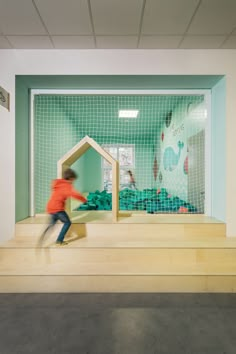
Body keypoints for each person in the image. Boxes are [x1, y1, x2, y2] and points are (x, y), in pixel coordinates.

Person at [38, 168, 87, 246]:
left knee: (52, 224)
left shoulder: (58, 183)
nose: (73, 182)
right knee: (67, 222)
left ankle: (43, 237)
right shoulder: (67, 186)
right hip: (58, 209)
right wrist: (84, 200)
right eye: (73, 180)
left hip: (50, 208)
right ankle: (59, 241)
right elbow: (75, 194)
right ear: (71, 179)